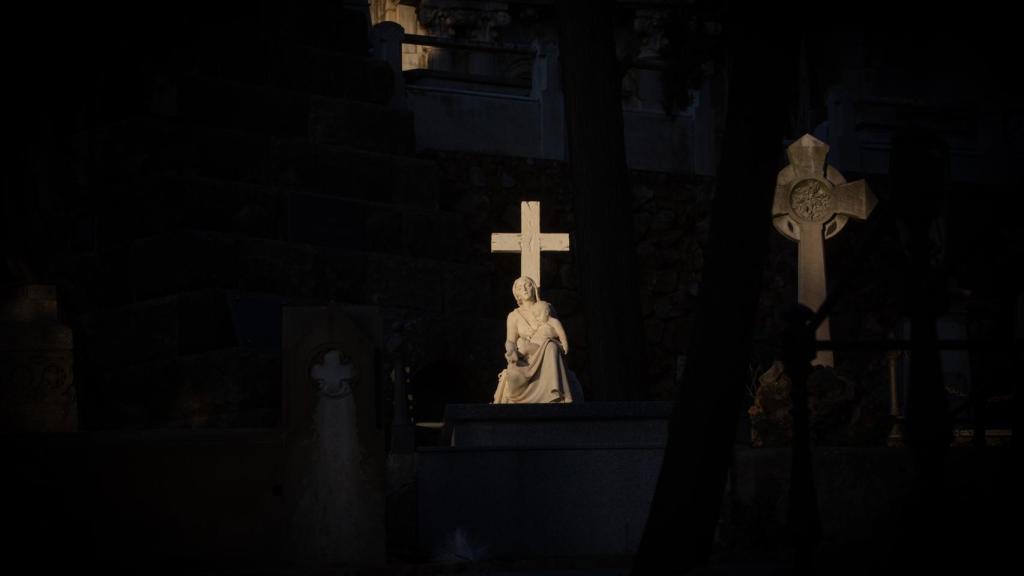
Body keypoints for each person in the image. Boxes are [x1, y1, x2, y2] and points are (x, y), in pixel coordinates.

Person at [493, 276, 579, 404]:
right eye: (520, 287)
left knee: (551, 346)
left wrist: (563, 342)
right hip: (527, 357)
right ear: (516, 293)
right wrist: (511, 350)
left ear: (533, 288)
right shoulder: (513, 316)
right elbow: (510, 341)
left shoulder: (547, 307)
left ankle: (554, 394)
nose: (524, 289)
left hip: (546, 351)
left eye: (527, 285)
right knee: (515, 367)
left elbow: (556, 327)